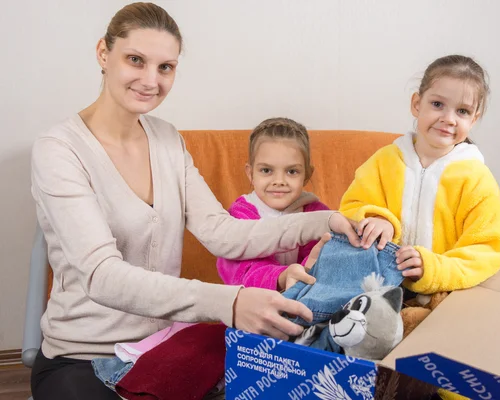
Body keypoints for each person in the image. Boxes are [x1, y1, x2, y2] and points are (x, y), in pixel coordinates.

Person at [29, 3, 358, 399]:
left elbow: (223, 234)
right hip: (83, 355)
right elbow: (101, 275)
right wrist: (231, 301)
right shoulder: (59, 150)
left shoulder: (167, 139)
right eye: (136, 60)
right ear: (104, 53)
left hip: (164, 347)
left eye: (165, 67)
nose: (151, 80)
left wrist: (326, 222)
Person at [340, 54, 500, 296]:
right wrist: (376, 217)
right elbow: (350, 206)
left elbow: (486, 249)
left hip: (441, 297)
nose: (448, 119)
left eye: (462, 111)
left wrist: (433, 268)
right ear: (417, 104)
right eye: (437, 104)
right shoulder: (385, 160)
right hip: (372, 290)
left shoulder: (477, 179)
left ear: (473, 120)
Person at [217, 117, 329, 292]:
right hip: (253, 305)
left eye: (292, 171)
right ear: (250, 173)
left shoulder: (315, 212)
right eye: (266, 171)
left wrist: (311, 265)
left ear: (306, 174)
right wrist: (283, 276)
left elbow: (324, 258)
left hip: (305, 300)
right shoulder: (241, 215)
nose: (279, 181)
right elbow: (241, 271)